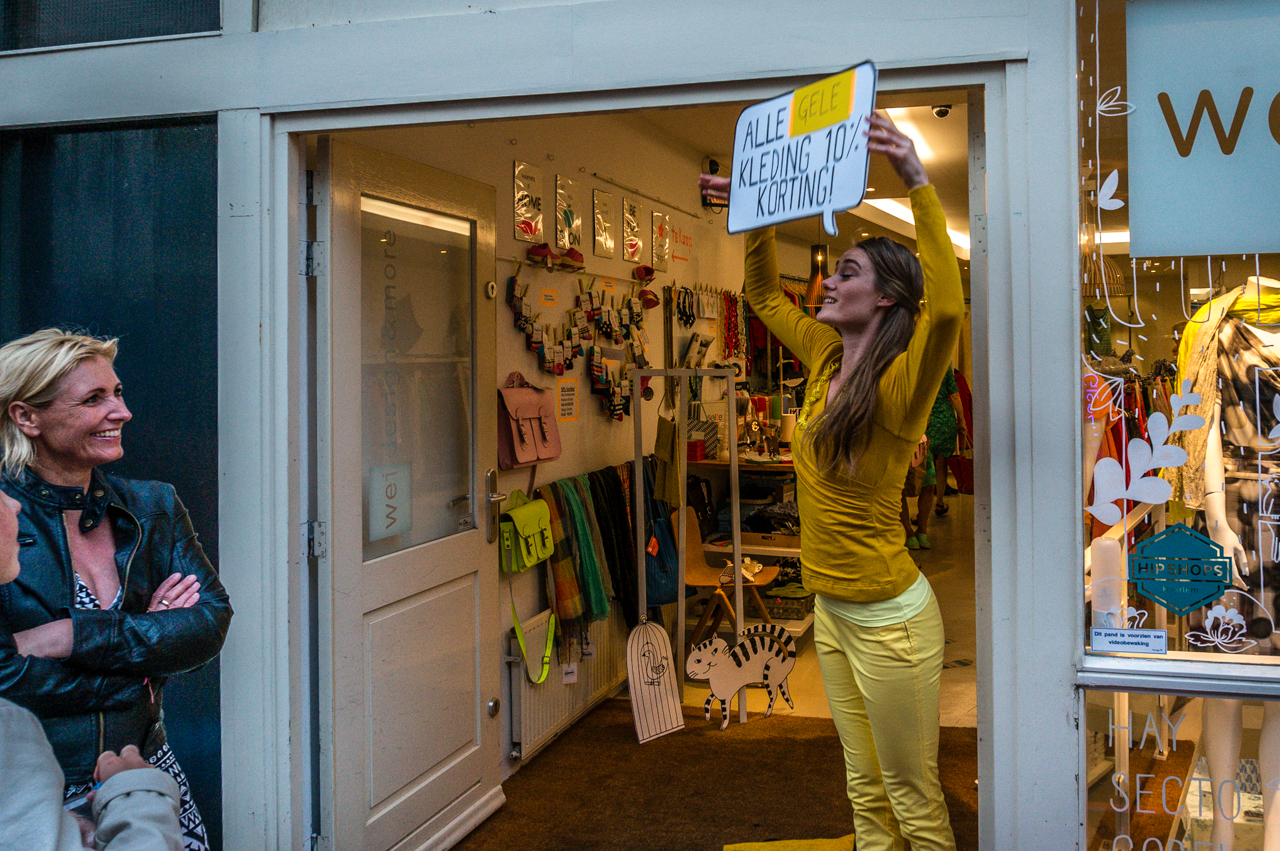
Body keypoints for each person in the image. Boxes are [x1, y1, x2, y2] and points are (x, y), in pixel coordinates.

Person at [700, 111, 963, 850]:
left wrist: (917, 180)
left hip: (891, 622)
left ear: (885, 299)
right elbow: (761, 296)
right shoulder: (821, 355)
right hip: (833, 612)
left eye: (847, 272)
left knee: (913, 797)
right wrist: (756, 207)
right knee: (864, 788)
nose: (826, 280)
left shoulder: (902, 385)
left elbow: (947, 309)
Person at [0, 329, 232, 851]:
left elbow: (209, 624)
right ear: (26, 417)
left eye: (118, 392)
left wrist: (70, 636)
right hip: (37, 794)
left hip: (147, 771)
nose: (122, 412)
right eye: (93, 399)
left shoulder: (153, 505)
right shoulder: (2, 520)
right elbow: (4, 676)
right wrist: (145, 654)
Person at [0, 487, 184, 850]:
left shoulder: (153, 501)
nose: (14, 503)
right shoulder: (10, 728)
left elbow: (205, 623)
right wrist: (136, 796)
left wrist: (58, 636)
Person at [914, 365, 967, 548]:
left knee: (924, 465)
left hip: (925, 418)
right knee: (941, 463)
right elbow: (955, 396)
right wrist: (962, 420)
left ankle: (921, 513)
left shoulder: (921, 366)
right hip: (945, 419)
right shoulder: (944, 367)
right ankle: (940, 502)